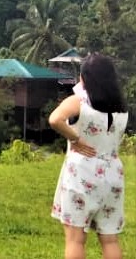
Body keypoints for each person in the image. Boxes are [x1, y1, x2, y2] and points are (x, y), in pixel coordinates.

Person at [49, 53, 129, 259]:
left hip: (82, 175)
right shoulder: (121, 109)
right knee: (110, 239)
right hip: (113, 175)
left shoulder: (79, 102)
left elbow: (55, 119)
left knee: (75, 239)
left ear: (85, 77)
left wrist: (75, 139)